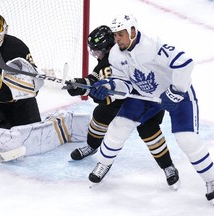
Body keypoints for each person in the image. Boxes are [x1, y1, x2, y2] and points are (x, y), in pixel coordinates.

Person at [88, 14, 214, 203]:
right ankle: (103, 164)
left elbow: (185, 63)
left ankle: (211, 180)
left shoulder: (152, 46)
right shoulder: (115, 54)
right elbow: (124, 84)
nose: (117, 39)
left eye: (121, 34)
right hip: (144, 95)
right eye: (115, 35)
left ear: (132, 31)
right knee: (118, 126)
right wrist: (109, 86)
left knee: (187, 139)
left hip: (177, 94)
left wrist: (175, 92)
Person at [67, 25, 179, 187]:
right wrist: (79, 84)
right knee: (101, 114)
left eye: (97, 50)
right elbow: (95, 78)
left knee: (149, 130)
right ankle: (93, 147)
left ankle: (168, 166)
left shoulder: (128, 55)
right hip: (121, 100)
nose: (95, 54)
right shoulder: (108, 60)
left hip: (146, 99)